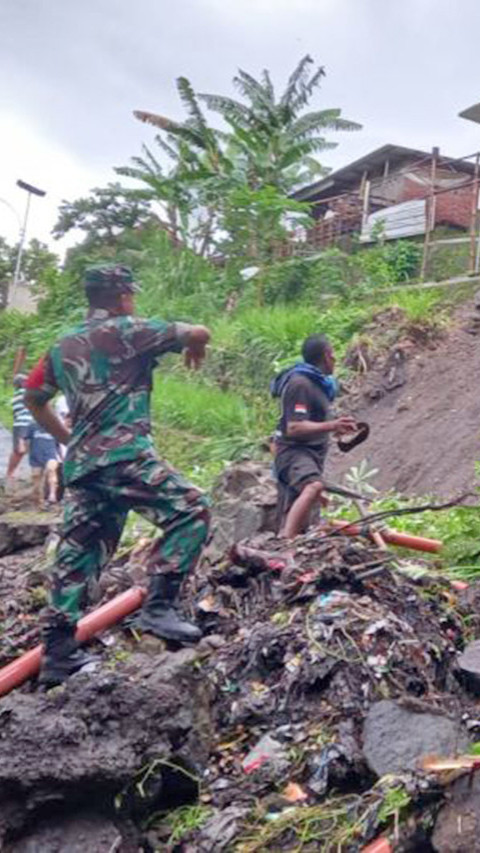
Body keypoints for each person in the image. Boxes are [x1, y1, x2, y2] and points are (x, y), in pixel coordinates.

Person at [24, 263, 211, 687]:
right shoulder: (130, 330)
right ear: (123, 295)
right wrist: (195, 346)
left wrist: (70, 439)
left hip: (85, 467)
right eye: (131, 293)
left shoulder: (62, 344)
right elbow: (198, 332)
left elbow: (34, 398)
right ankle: (159, 608)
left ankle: (57, 655)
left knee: (77, 555)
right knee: (192, 509)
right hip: (124, 456)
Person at [271, 334, 357, 539]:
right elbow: (294, 427)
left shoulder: (318, 385)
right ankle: (287, 543)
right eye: (333, 354)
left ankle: (287, 545)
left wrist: (334, 428)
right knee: (313, 485)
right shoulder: (299, 383)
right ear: (327, 356)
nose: (335, 359)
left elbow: (313, 424)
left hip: (312, 456)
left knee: (302, 511)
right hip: (293, 453)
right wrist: (332, 425)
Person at [5, 374, 34, 490]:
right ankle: (10, 473)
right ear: (22, 383)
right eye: (26, 381)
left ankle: (11, 472)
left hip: (22, 423)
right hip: (24, 423)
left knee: (21, 450)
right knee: (20, 450)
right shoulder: (23, 393)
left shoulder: (17, 396)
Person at [29, 421, 61, 507]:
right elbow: (27, 440)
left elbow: (59, 443)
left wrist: (61, 456)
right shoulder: (32, 426)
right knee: (36, 477)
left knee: (51, 470)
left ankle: (52, 495)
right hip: (36, 455)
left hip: (51, 454)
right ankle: (39, 501)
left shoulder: (55, 426)